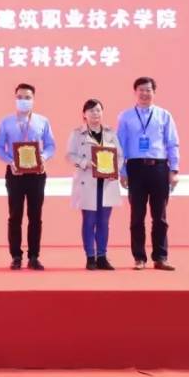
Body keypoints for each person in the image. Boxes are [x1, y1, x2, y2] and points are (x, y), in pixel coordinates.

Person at [117, 77, 180, 271]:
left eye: (148, 90)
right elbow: (120, 145)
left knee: (159, 216)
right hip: (135, 168)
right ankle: (139, 258)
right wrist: (122, 171)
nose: (144, 93)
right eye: (141, 90)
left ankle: (160, 257)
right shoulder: (125, 116)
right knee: (137, 216)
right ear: (135, 92)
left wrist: (174, 170)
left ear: (154, 92)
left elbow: (172, 144)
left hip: (159, 168)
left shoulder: (164, 115)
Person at [0, 83, 57, 270]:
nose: (23, 101)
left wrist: (43, 158)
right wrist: (10, 162)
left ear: (33, 99)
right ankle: (16, 256)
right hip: (15, 173)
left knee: (35, 216)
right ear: (15, 99)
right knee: (15, 215)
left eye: (27, 97)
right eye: (20, 97)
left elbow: (51, 145)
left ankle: (34, 256)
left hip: (37, 174)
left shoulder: (43, 121)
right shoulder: (6, 122)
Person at [66, 99, 123, 270]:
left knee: (104, 221)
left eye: (98, 110)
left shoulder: (110, 133)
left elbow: (120, 156)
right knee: (89, 220)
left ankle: (102, 256)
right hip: (87, 181)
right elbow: (70, 155)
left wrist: (115, 170)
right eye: (91, 111)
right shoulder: (77, 133)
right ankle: (90, 257)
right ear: (84, 114)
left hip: (107, 182)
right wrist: (85, 163)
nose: (95, 114)